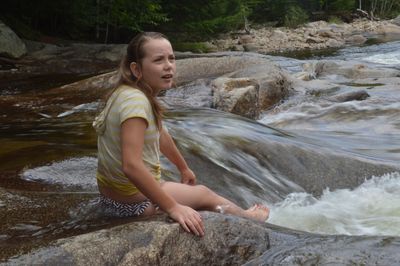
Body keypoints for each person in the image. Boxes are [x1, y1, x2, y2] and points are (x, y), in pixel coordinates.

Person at [93, 32, 269, 237]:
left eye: (171, 58)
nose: (168, 65)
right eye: (158, 60)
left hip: (113, 198)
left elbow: (160, 134)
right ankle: (248, 218)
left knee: (177, 186)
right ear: (136, 69)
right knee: (204, 194)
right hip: (131, 205)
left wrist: (183, 167)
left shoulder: (128, 93)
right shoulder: (136, 103)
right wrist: (173, 208)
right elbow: (131, 166)